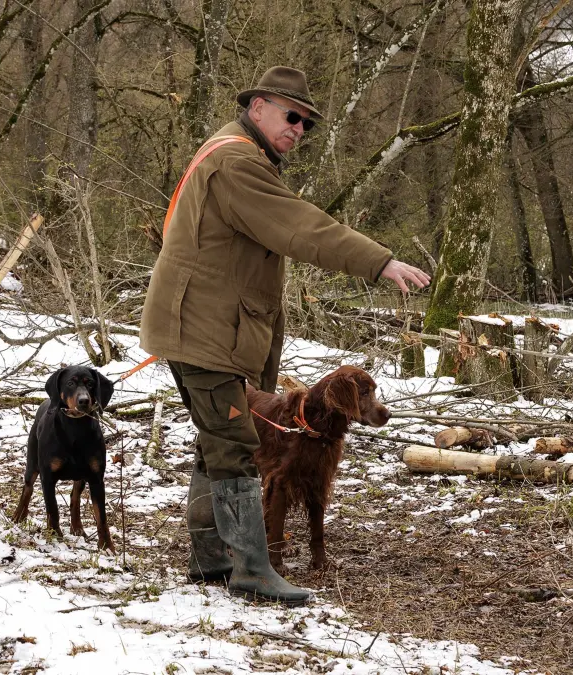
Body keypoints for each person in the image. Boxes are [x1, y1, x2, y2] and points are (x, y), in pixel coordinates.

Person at [140, 66, 430, 603]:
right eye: (290, 115)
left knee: (216, 443)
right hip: (203, 331)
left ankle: (210, 562)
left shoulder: (233, 154)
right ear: (256, 108)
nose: (298, 128)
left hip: (203, 327)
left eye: (306, 123)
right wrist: (379, 261)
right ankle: (251, 568)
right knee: (231, 445)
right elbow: (301, 226)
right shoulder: (236, 162)